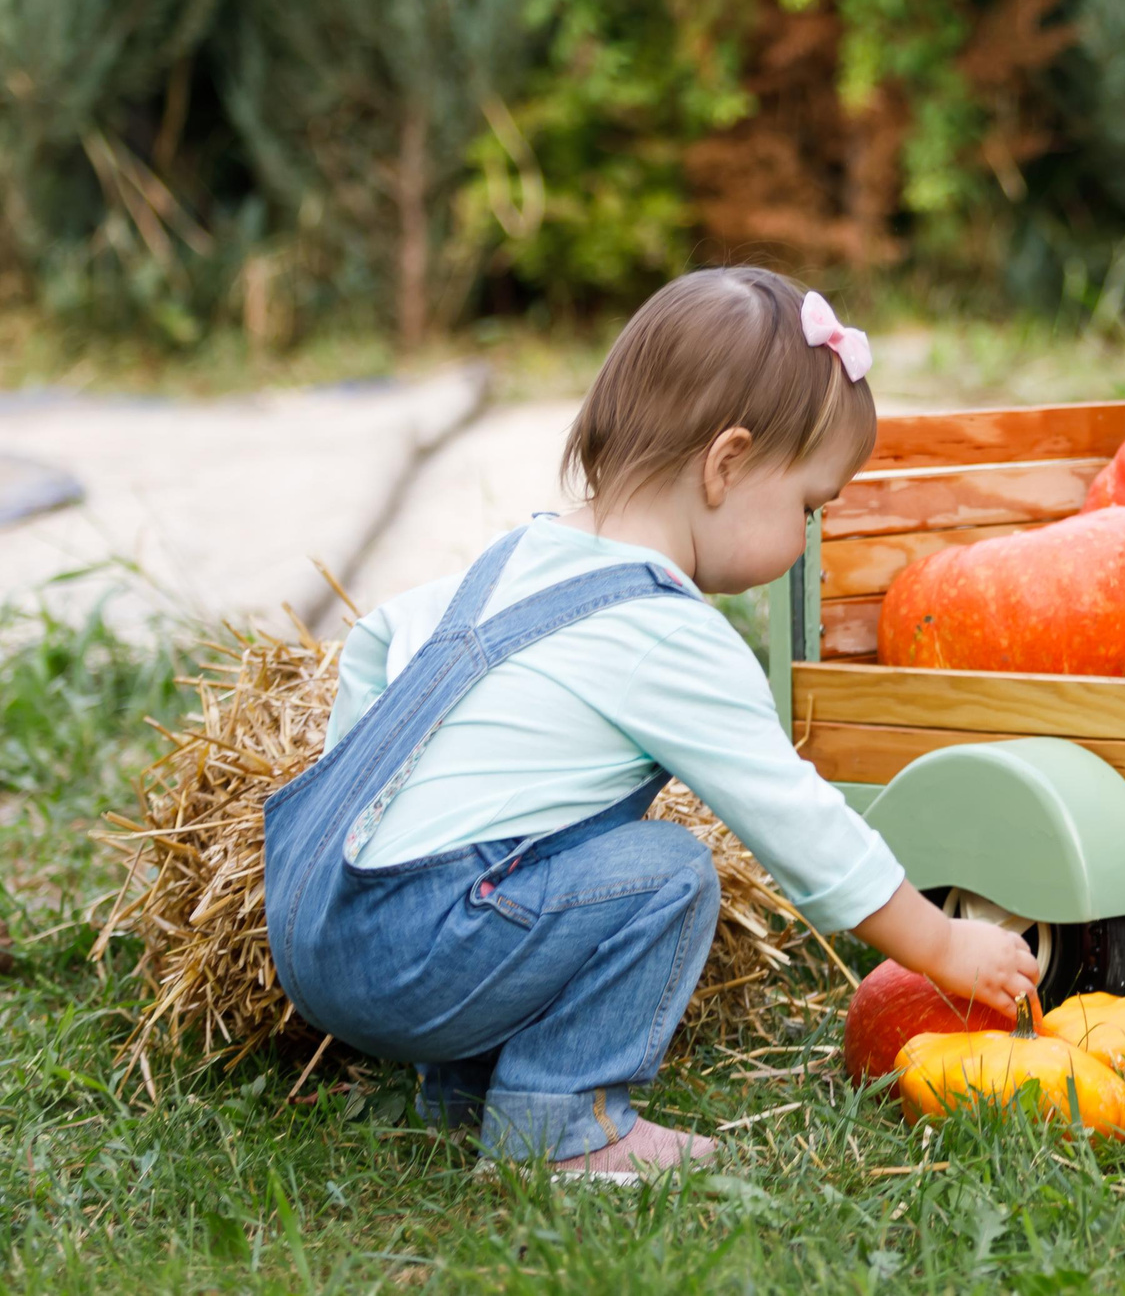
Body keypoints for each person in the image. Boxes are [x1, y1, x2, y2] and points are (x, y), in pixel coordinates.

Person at [262, 267, 1037, 1181]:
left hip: (313, 912)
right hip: (413, 954)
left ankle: (466, 1089)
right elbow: (798, 821)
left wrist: (374, 829)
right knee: (663, 872)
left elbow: (374, 646)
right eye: (808, 507)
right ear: (728, 463)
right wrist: (941, 942)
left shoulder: (519, 555)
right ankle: (564, 1126)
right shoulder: (662, 631)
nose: (807, 537)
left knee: (521, 856)